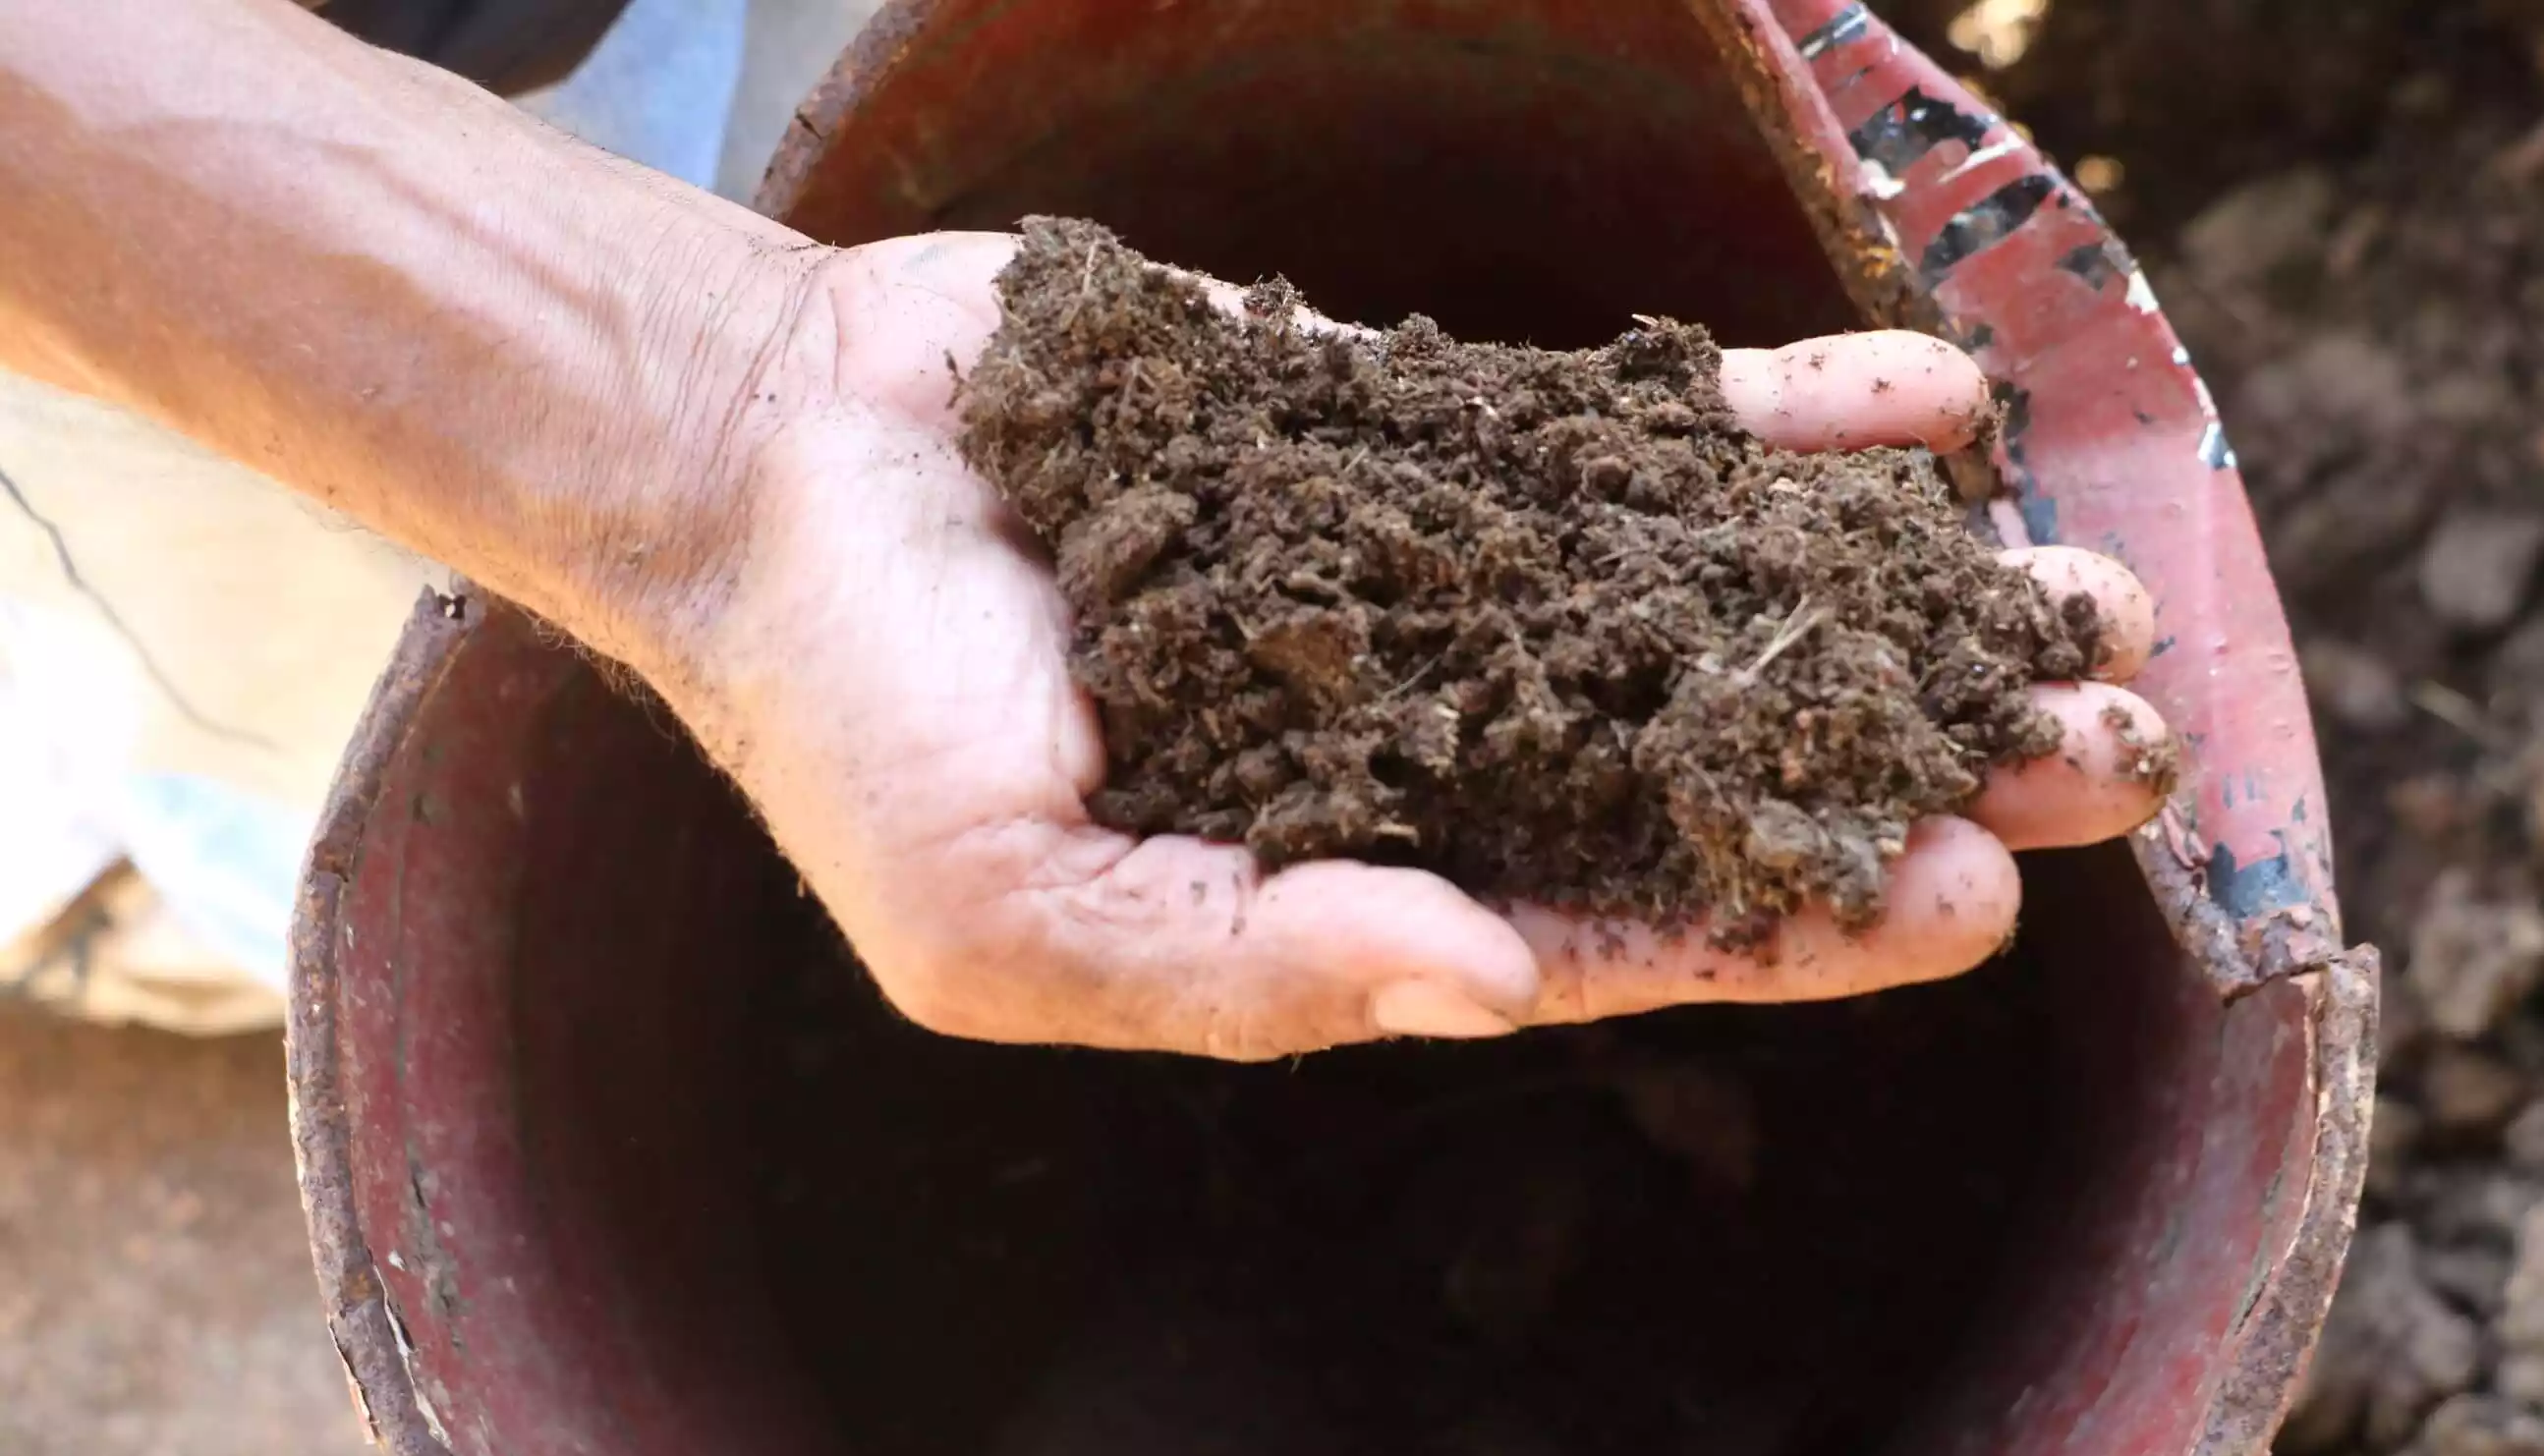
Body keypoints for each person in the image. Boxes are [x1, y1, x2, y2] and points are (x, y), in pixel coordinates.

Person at [0, 0, 2172, 1061]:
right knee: (313, 648)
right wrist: (712, 433)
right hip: (132, 192)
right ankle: (206, 875)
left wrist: (732, 383)